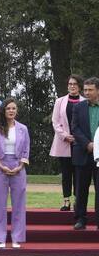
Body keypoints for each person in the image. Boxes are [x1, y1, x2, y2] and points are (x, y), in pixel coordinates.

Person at [0, 98, 30, 248]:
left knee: (19, 203)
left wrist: (19, 167)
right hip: (0, 167)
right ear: (3, 111)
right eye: (8, 108)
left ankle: (17, 238)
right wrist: (1, 166)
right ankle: (0, 237)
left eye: (14, 108)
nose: (11, 111)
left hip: (18, 167)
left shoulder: (23, 129)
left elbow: (26, 151)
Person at [50, 75, 84, 211]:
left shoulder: (85, 102)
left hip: (79, 143)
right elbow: (55, 121)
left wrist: (78, 137)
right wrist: (65, 136)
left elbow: (86, 123)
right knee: (66, 173)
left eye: (75, 84)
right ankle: (66, 201)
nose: (72, 86)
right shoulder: (59, 101)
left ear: (79, 86)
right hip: (63, 142)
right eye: (70, 84)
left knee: (79, 173)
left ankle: (77, 201)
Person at [70, 76, 99, 230]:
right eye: (85, 90)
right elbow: (75, 128)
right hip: (83, 153)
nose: (87, 92)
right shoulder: (78, 107)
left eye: (90, 90)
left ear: (98, 90)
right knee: (81, 188)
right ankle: (80, 219)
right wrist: (87, 144)